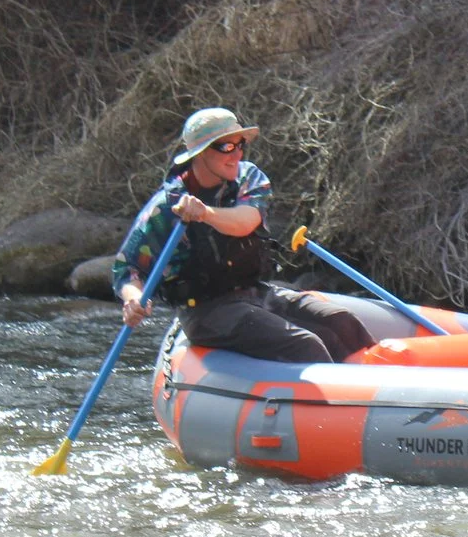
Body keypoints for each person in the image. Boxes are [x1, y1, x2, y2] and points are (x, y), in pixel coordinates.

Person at [112, 107, 373, 363]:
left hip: (255, 293)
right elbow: (127, 270)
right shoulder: (166, 207)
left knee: (341, 322)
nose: (236, 154)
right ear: (200, 153)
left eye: (240, 145)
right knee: (305, 345)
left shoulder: (248, 177)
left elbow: (246, 221)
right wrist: (134, 300)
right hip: (206, 312)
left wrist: (204, 213)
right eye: (226, 147)